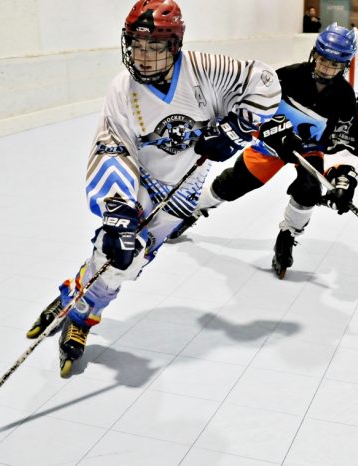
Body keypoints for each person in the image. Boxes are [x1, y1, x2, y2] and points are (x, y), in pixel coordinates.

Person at [25, 0, 281, 377]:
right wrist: (118, 212)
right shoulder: (122, 89)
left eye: (154, 47)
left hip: (183, 191)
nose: (143, 56)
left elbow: (264, 81)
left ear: (174, 45)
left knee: (130, 264)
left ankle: (74, 295)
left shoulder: (206, 70)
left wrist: (236, 128)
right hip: (137, 178)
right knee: (115, 250)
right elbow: (112, 145)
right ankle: (82, 311)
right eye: (136, 45)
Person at [168, 23, 358, 279]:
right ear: (314, 54)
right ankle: (194, 209)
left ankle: (288, 234)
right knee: (233, 184)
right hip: (272, 142)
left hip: (310, 150)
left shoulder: (344, 96)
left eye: (335, 65)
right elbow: (254, 106)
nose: (327, 68)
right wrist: (273, 129)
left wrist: (343, 180)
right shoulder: (287, 76)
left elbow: (343, 141)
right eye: (323, 60)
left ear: (344, 65)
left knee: (310, 189)